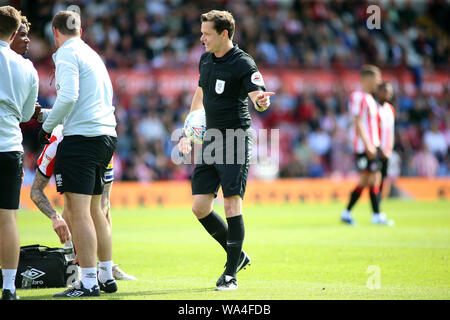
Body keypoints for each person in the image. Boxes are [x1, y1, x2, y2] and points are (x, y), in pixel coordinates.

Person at [178, 10, 274, 291]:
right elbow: (200, 95)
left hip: (235, 138)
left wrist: (261, 102)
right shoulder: (205, 59)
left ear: (224, 34)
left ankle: (230, 275)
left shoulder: (243, 63)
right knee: (200, 207)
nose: (201, 38)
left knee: (231, 204)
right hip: (210, 139)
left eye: (206, 33)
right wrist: (188, 131)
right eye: (201, 32)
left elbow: (258, 96)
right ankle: (238, 255)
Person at [38, 11, 117, 298]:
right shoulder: (91, 54)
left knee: (79, 211)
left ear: (55, 33)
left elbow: (69, 96)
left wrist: (47, 125)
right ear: (80, 31)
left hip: (82, 138)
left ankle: (87, 282)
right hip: (106, 135)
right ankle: (106, 275)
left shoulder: (66, 54)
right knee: (97, 210)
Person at [30, 124, 137, 281]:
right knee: (73, 205)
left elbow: (105, 200)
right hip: (74, 153)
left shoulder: (104, 140)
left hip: (96, 146)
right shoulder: (56, 143)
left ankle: (105, 268)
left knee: (100, 208)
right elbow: (36, 190)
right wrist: (55, 217)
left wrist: (87, 241)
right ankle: (77, 265)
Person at [0, 5, 39, 300]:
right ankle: (10, 288)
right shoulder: (27, 67)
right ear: (14, 33)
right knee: (8, 218)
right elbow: (27, 114)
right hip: (10, 147)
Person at [340, 65, 392, 225]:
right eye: (377, 78)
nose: (379, 81)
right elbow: (357, 121)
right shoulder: (358, 96)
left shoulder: (370, 99)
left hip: (373, 145)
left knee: (369, 180)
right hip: (364, 146)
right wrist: (368, 144)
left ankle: (348, 213)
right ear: (367, 78)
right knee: (371, 179)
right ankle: (376, 215)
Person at [376, 82, 396, 207]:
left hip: (387, 150)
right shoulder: (374, 108)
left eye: (389, 91)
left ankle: (378, 206)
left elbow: (391, 130)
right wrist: (378, 148)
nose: (387, 94)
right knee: (371, 179)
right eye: (384, 91)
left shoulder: (390, 109)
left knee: (382, 179)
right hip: (377, 150)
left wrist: (390, 147)